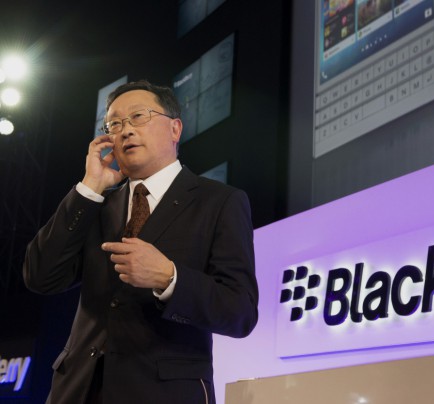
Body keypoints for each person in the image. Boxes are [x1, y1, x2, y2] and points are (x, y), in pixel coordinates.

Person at [23, 80, 259, 404]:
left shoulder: (219, 201)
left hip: (163, 393)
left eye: (138, 116)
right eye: (114, 124)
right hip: (79, 391)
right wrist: (90, 186)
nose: (126, 130)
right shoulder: (96, 205)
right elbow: (40, 276)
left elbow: (240, 311)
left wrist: (170, 278)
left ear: (175, 129)